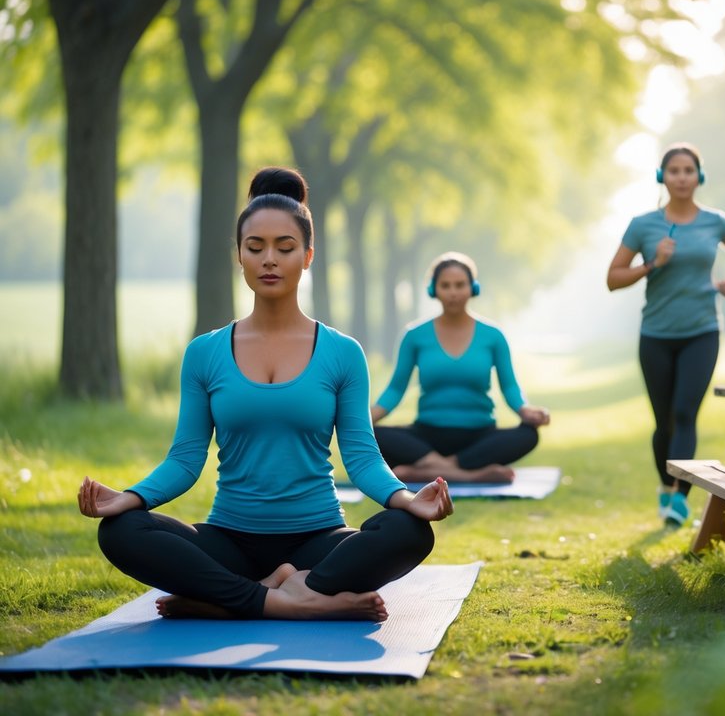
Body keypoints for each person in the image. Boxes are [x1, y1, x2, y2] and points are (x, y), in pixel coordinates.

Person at [78, 168, 452, 622]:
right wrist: (131, 498)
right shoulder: (205, 353)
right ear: (239, 254)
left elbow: (361, 456)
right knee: (121, 531)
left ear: (308, 255)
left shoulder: (342, 353)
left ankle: (236, 597)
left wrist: (406, 499)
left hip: (319, 543)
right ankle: (286, 600)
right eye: (255, 248)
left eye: (285, 247)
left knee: (409, 531)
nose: (269, 259)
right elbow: (185, 459)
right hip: (229, 542)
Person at [606, 143, 725, 527]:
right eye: (674, 171)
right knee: (664, 422)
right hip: (656, 334)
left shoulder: (715, 221)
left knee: (685, 413)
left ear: (699, 176)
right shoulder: (643, 225)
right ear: (662, 177)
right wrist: (653, 263)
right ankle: (667, 488)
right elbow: (613, 279)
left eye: (689, 170)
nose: (682, 177)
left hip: (702, 330)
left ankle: (678, 499)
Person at [372, 252, 550, 484]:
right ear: (433, 290)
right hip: (427, 436)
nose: (453, 292)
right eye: (445, 285)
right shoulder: (414, 336)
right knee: (370, 434)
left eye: (460, 285)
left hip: (479, 437)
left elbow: (509, 386)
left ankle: (428, 471)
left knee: (528, 434)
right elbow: (396, 389)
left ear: (472, 288)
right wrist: (364, 418)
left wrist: (525, 411)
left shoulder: (493, 336)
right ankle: (470, 475)